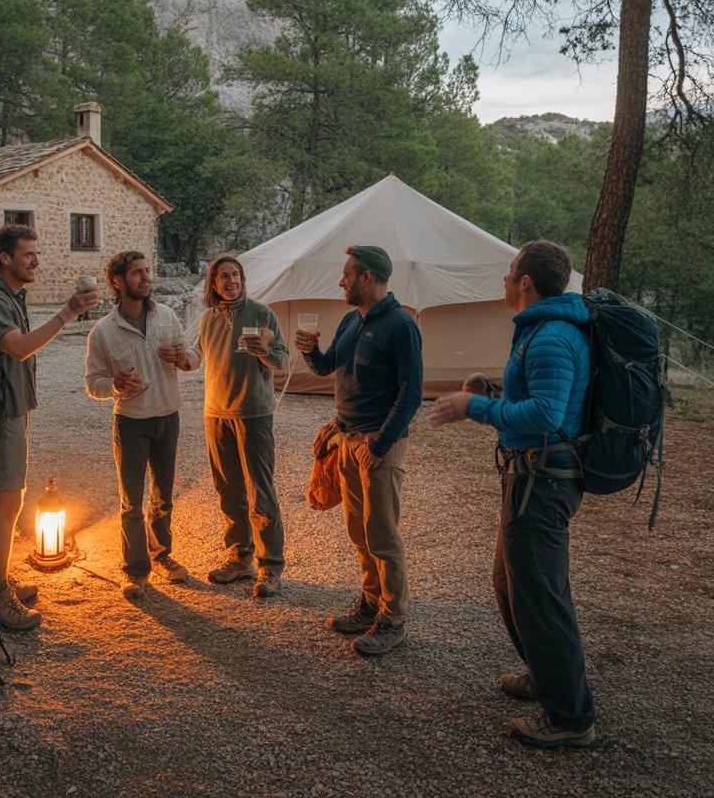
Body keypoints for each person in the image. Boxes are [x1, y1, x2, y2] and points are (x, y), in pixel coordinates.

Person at [429, 240, 595, 748]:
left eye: (509, 273)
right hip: (530, 477)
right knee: (510, 583)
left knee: (541, 595)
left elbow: (548, 415)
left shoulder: (549, 336)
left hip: (543, 483)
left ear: (526, 282)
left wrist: (472, 408)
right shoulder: (541, 330)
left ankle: (570, 717)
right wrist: (495, 392)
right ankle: (545, 675)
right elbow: (545, 402)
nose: (504, 280)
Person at [0, 224, 99, 631]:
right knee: (8, 502)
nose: (36, 260)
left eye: (36, 253)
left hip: (3, 409)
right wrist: (69, 311)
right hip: (1, 414)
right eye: (28, 254)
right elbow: (19, 348)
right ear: (5, 258)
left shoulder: (9, 297)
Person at [296, 245, 422, 656]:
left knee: (382, 535)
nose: (341, 281)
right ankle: (371, 602)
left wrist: (381, 444)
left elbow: (411, 393)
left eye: (347, 274)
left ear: (366, 277)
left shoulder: (401, 325)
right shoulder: (353, 319)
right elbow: (327, 364)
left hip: (378, 446)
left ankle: (394, 618)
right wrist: (310, 351)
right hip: (347, 440)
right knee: (359, 531)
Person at [85, 251, 197, 600]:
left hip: (168, 417)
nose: (146, 277)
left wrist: (184, 359)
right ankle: (135, 571)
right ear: (117, 281)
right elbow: (93, 383)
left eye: (147, 271)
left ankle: (162, 554)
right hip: (131, 423)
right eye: (137, 273)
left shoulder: (166, 317)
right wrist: (115, 385)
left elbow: (193, 357)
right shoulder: (103, 331)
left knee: (163, 498)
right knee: (131, 502)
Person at [186, 254, 289, 598]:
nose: (231, 281)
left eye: (235, 275)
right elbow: (197, 357)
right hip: (215, 413)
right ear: (213, 285)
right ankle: (240, 557)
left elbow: (283, 361)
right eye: (223, 277)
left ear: (242, 280)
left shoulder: (262, 314)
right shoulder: (207, 319)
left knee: (260, 490)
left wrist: (264, 352)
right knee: (228, 489)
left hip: (253, 414)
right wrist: (181, 360)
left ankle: (270, 566)